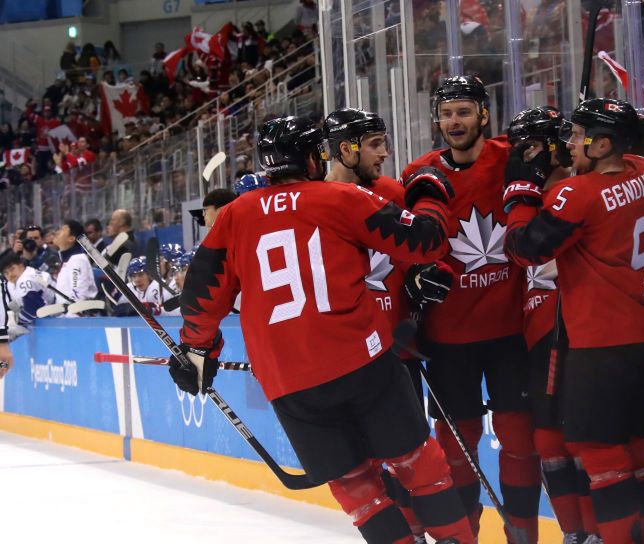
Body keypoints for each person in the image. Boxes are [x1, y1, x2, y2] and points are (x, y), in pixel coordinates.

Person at [170, 115, 475, 544]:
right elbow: (425, 242)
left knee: (359, 491)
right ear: (313, 156)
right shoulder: (340, 198)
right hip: (361, 362)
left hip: (288, 383)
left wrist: (198, 350)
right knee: (419, 467)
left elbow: (203, 296)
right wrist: (428, 195)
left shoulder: (235, 215)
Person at [503, 98, 644, 544]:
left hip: (600, 342)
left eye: (579, 136)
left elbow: (523, 249)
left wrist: (520, 188)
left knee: (598, 451)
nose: (570, 142)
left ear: (605, 143)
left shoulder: (574, 194)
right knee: (637, 447)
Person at [401, 77, 541, 542]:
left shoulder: (513, 156)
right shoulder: (419, 174)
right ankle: (466, 536)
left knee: (520, 441)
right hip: (447, 339)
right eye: (446, 114)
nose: (454, 122)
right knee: (456, 448)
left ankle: (523, 533)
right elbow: (407, 243)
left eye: (464, 112)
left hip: (510, 334)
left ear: (484, 114)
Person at [324, 107, 447, 541]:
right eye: (375, 144)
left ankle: (420, 532)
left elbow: (425, 253)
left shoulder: (392, 192)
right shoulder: (314, 202)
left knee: (409, 456)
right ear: (346, 149)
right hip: (345, 357)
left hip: (395, 349)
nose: (385, 153)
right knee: (367, 463)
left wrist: (418, 279)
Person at [506, 106, 602, 544]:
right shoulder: (534, 191)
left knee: (575, 437)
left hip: (565, 325)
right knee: (547, 441)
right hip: (534, 328)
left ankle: (593, 531)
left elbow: (533, 250)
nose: (520, 156)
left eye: (529, 146)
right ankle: (574, 533)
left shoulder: (568, 190)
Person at [0, 249, 54, 327]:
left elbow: (33, 308)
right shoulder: (12, 283)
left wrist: (18, 322)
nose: (10, 275)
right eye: (6, 273)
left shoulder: (26, 279)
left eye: (12, 269)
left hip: (57, 317)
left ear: (21, 265)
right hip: (43, 319)